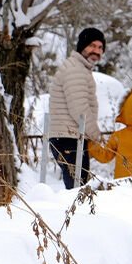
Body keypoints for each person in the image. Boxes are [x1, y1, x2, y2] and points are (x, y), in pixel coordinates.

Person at [47, 27, 107, 188]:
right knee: (77, 188)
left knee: (77, 185)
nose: (96, 51)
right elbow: (79, 109)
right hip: (68, 138)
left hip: (71, 136)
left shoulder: (80, 68)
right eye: (92, 46)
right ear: (82, 46)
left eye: (100, 48)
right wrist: (95, 135)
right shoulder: (75, 70)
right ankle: (74, 214)